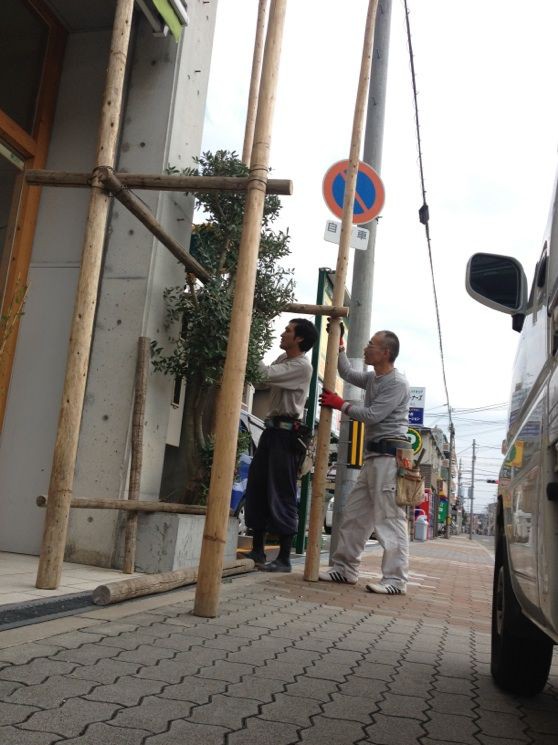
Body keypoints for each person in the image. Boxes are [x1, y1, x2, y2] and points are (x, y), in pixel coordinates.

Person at [319, 325, 411, 594]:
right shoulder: (373, 378)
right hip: (374, 457)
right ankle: (345, 569)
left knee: (390, 519)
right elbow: (346, 373)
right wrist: (339, 347)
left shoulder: (397, 383)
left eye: (371, 344)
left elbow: (372, 415)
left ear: (385, 352)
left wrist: (341, 404)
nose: (366, 348)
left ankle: (396, 580)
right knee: (355, 515)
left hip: (389, 458)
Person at [244, 318, 318, 572]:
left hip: (286, 436)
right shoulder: (284, 360)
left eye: (288, 330)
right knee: (259, 487)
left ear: (299, 339)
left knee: (281, 492)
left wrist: (249, 339)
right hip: (272, 431)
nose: (283, 334)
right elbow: (262, 380)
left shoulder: (301, 366)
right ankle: (257, 551)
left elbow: (262, 375)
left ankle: (285, 558)